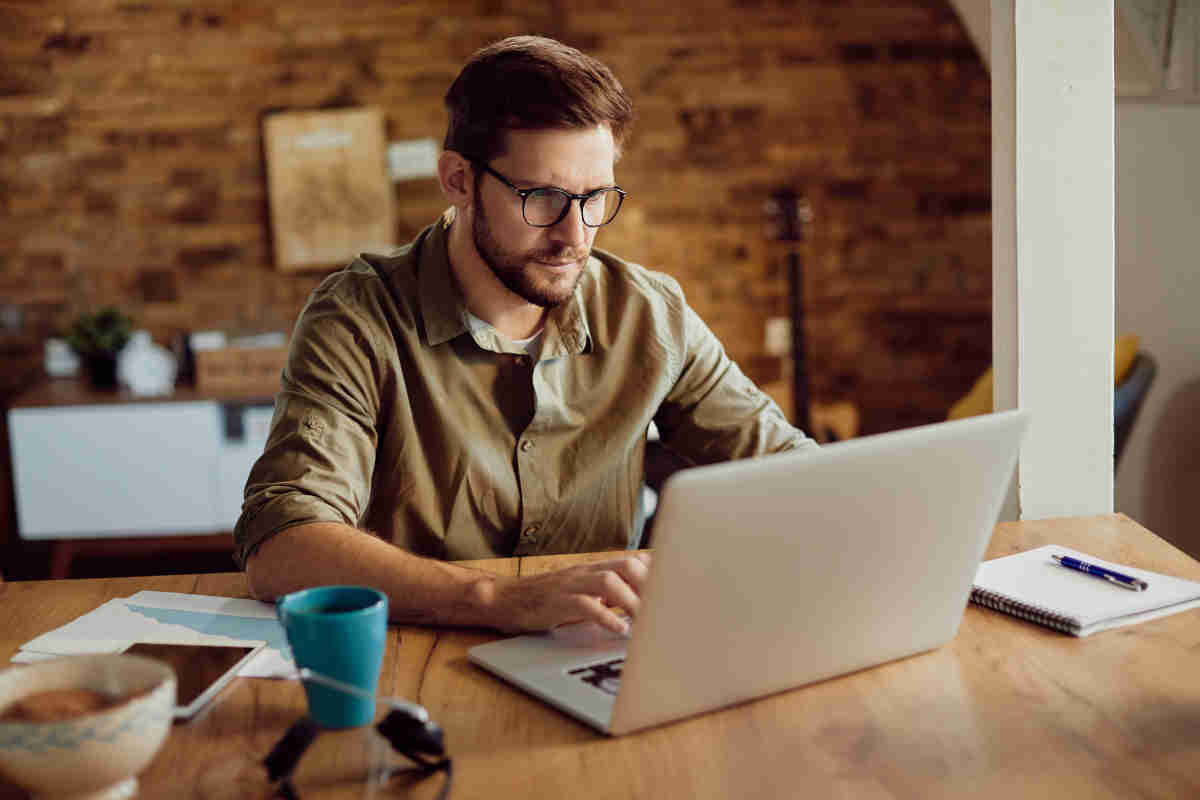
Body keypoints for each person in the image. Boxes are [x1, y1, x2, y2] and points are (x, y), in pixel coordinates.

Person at [236, 35, 815, 636]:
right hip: (419, 654)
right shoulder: (357, 317)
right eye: (543, 198)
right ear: (458, 180)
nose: (576, 235)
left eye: (596, 198)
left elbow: (797, 475)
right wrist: (496, 598)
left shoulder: (650, 313)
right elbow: (284, 545)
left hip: (596, 649)